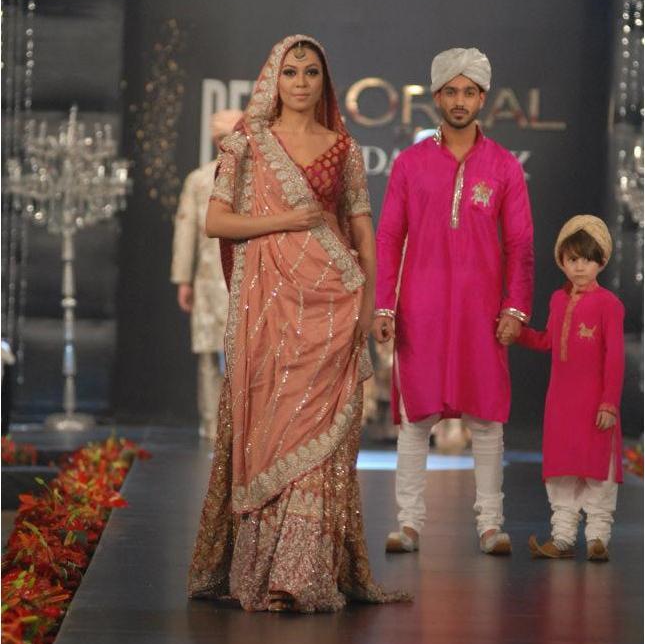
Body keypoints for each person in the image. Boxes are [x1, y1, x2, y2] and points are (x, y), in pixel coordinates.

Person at [188, 34, 409, 612]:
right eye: (291, 72)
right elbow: (216, 222)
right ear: (273, 80)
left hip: (334, 303)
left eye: (311, 72)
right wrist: (285, 219)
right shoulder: (247, 145)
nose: (302, 82)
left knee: (320, 434)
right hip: (269, 311)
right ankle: (264, 566)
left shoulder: (344, 148)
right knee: (272, 431)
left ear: (324, 82)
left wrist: (369, 306)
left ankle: (301, 570)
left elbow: (362, 231)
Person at [373, 47, 534, 555]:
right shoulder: (410, 164)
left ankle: (491, 525)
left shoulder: (503, 166)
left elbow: (521, 244)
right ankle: (409, 524)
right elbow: (388, 237)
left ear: (482, 98)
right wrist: (383, 305)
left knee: (486, 420)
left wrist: (515, 307)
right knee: (416, 419)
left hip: (481, 314)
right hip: (420, 311)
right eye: (451, 91)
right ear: (437, 97)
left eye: (469, 92)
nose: (460, 100)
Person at [515, 216, 624, 562]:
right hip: (561, 405)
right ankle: (562, 538)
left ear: (601, 262)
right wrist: (518, 333)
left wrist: (609, 403)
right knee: (562, 471)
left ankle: (597, 538)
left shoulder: (609, 304)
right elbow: (548, 340)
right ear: (561, 260)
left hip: (595, 405)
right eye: (573, 259)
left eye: (588, 260)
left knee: (597, 471)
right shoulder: (557, 301)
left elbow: (615, 358)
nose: (580, 267)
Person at [171, 110, 240, 439]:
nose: (225, 142)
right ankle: (212, 423)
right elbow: (186, 231)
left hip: (245, 276)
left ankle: (243, 424)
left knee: (245, 352)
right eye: (220, 137)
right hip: (209, 277)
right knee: (209, 354)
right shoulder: (200, 180)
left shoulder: (256, 177)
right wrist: (183, 279)